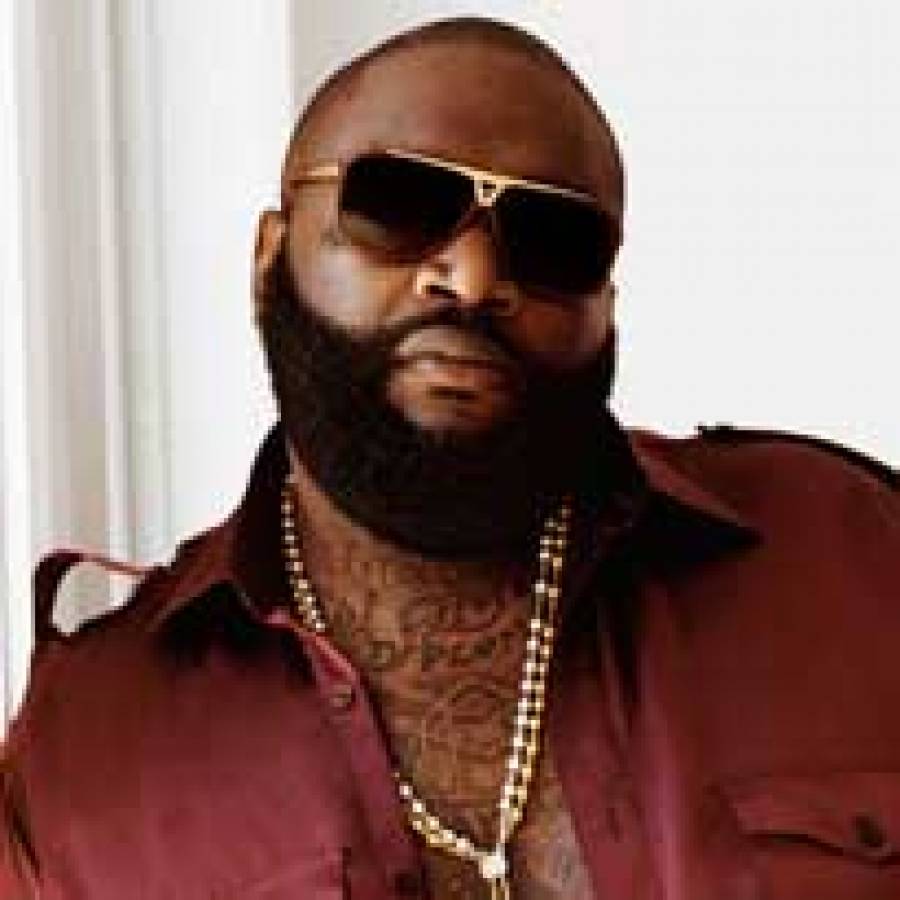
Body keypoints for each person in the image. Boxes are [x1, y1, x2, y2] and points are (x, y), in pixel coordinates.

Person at [2, 15, 899, 900]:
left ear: (607, 301)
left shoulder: (849, 555)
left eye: (553, 239)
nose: (471, 278)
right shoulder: (87, 748)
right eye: (397, 205)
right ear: (269, 256)